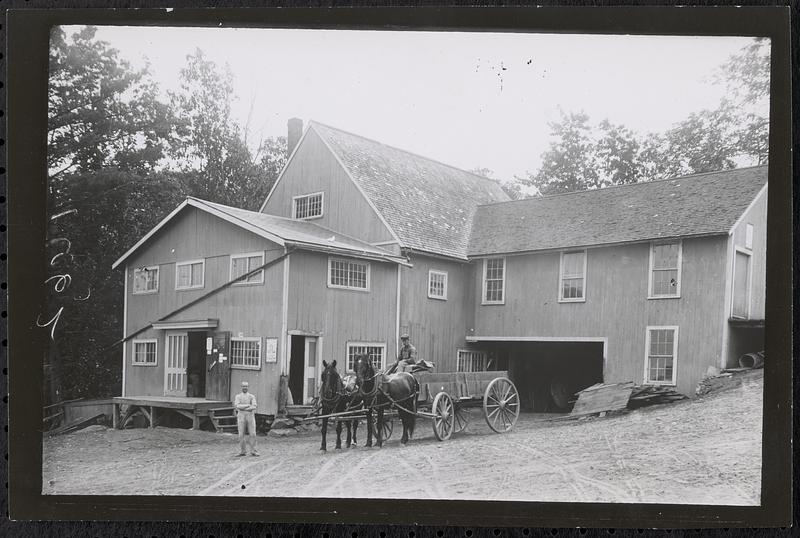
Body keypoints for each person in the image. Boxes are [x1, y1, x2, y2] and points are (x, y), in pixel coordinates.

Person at [234, 381, 258, 456]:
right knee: (241, 434)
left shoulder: (251, 396)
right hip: (241, 416)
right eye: (243, 386)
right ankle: (242, 451)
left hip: (250, 416)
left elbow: (254, 406)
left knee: (253, 434)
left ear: (248, 387)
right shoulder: (238, 396)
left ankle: (254, 451)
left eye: (246, 386)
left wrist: (243, 407)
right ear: (241, 387)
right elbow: (237, 406)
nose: (245, 387)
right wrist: (248, 405)